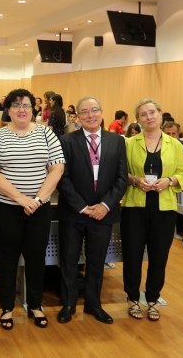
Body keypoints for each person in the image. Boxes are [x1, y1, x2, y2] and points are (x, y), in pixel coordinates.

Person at [0, 88, 65, 330]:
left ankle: (36, 305)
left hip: (39, 207)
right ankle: (6, 308)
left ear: (33, 109)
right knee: (7, 257)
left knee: (36, 257)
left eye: (26, 105)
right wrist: (20, 198)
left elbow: (57, 169)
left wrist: (37, 200)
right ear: (8, 110)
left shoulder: (47, 135)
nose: (21, 109)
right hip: (6, 207)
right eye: (16, 105)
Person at [56, 96, 128, 325]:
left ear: (102, 112)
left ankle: (93, 304)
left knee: (97, 261)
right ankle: (68, 304)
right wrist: (82, 206)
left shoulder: (117, 141)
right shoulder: (66, 141)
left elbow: (121, 178)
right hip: (74, 212)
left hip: (103, 213)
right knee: (69, 259)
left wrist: (105, 205)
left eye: (94, 110)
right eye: (84, 112)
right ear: (77, 117)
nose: (90, 115)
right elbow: (62, 177)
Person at [121, 98, 183, 322]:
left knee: (159, 256)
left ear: (160, 115)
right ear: (138, 120)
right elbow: (120, 173)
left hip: (164, 207)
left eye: (152, 112)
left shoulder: (175, 144)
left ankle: (152, 299)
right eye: (143, 114)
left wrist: (169, 180)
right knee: (132, 254)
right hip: (134, 206)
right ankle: (132, 298)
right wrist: (134, 179)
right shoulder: (129, 144)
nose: (149, 117)